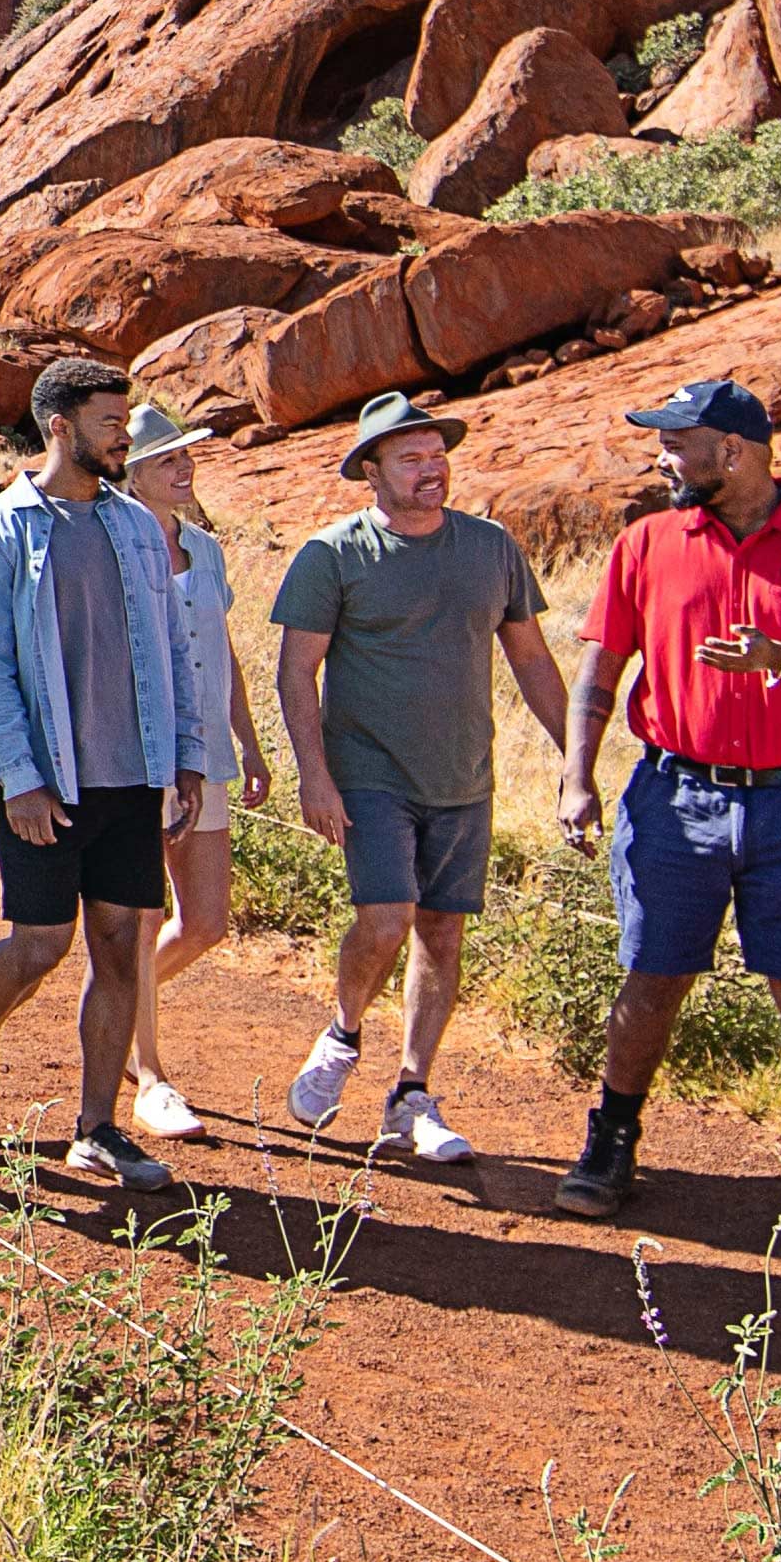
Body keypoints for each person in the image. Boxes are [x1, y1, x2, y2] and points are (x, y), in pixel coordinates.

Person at [547, 372, 781, 1295]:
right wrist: (576, 772)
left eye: (678, 443)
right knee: (654, 974)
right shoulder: (647, 544)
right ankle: (612, 1138)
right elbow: (603, 658)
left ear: (735, 452)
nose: (662, 456)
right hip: (674, 797)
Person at [263, 391, 569, 1173]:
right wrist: (315, 778)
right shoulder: (332, 555)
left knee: (442, 931)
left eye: (438, 455)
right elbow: (297, 672)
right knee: (387, 919)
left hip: (465, 776)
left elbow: (531, 659)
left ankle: (411, 1095)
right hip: (370, 775)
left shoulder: (490, 547)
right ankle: (341, 1033)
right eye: (411, 458)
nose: (432, 471)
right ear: (372, 470)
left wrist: (577, 758)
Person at [0, 353, 227, 1200]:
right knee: (40, 945)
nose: (125, 435)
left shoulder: (138, 527)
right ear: (60, 427)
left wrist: (183, 758)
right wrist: (19, 779)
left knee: (119, 944)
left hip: (132, 776)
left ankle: (97, 1128)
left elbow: (175, 650)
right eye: (111, 423)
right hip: (46, 780)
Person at [113, 400, 279, 1139]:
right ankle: (150, 1074)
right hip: (142, 757)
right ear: (133, 474)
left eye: (186, 457)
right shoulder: (113, 544)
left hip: (207, 752)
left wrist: (248, 741)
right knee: (146, 914)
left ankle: (119, 1006)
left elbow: (224, 649)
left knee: (206, 920)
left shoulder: (205, 549)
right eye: (168, 460)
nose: (184, 469)